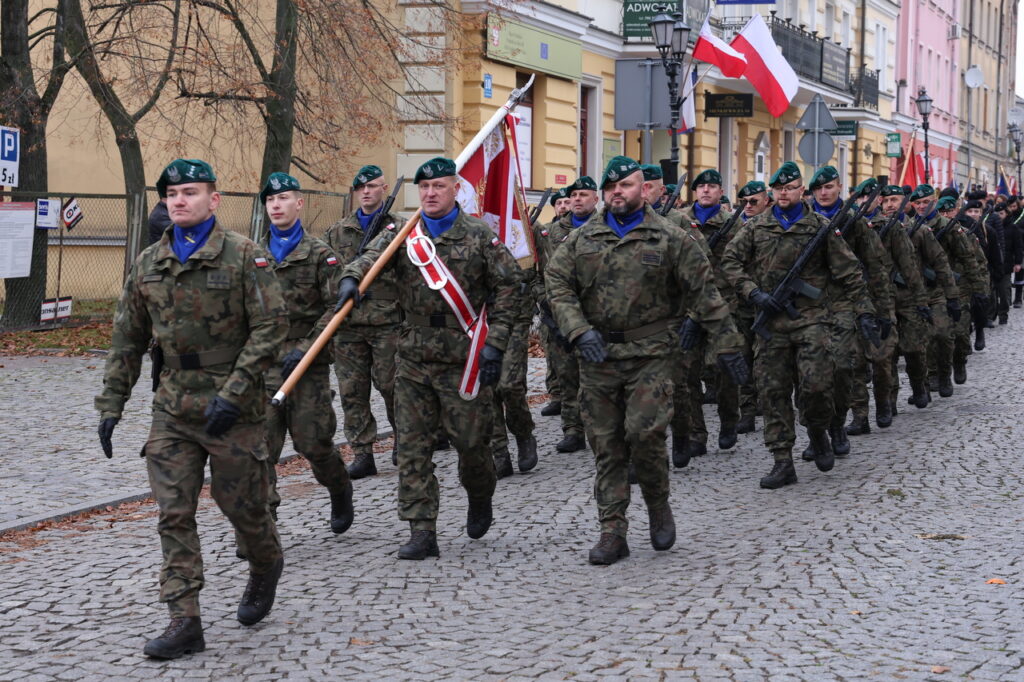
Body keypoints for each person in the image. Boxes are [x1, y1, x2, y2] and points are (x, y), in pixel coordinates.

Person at [95, 159, 287, 659]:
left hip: (233, 409)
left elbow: (271, 329)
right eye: (172, 194)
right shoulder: (148, 263)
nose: (179, 201)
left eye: (190, 192)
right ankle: (185, 619)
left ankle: (265, 561)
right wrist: (112, 403)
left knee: (243, 509)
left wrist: (236, 392)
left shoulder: (244, 255)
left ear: (213, 199)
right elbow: (127, 338)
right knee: (174, 512)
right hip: (173, 408)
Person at [546, 156, 749, 565]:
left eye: (625, 185)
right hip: (598, 356)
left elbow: (704, 292)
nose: (617, 193)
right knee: (605, 444)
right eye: (611, 187)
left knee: (645, 434)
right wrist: (578, 330)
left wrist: (727, 345)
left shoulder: (670, 237)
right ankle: (612, 531)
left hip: (651, 354)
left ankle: (658, 503)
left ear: (644, 189)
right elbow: (557, 283)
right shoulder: (583, 239)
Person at [337, 157, 519, 560]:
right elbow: (370, 258)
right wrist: (352, 277)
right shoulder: (404, 233)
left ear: (456, 188)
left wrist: (496, 343)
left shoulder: (478, 235)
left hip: (463, 356)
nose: (430, 193)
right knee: (412, 446)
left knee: (472, 446)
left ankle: (480, 493)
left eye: (438, 186)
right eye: (424, 187)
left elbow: (508, 289)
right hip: (414, 358)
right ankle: (421, 528)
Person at [720, 162, 879, 490]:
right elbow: (730, 262)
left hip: (812, 320)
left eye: (790, 188)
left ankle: (818, 430)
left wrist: (865, 312)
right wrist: (754, 293)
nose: (783, 193)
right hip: (771, 323)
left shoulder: (819, 227)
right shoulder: (756, 227)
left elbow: (850, 272)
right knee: (773, 392)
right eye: (778, 189)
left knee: (817, 387)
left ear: (801, 190)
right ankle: (782, 460)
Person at [255, 172, 353, 534]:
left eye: (283, 199)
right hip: (263, 363)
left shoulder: (320, 255)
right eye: (270, 200)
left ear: (299, 204)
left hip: (307, 365)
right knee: (260, 448)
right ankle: (262, 526)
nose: (276, 205)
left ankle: (339, 487)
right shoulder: (251, 255)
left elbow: (337, 309)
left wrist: (306, 348)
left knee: (313, 443)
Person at [806, 169, 893, 457]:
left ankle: (842, 421)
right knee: (809, 377)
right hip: (807, 307)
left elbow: (876, 267)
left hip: (847, 303)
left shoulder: (855, 222)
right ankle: (815, 433)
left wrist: (882, 311)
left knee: (845, 368)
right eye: (818, 188)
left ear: (839, 187)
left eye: (829, 187)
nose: (824, 193)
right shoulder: (802, 220)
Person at [324, 165, 402, 478]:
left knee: (392, 385)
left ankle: (403, 440)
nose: (366, 192)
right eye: (361, 187)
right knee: (351, 391)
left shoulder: (399, 228)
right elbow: (327, 273)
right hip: (349, 324)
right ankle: (362, 452)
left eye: (372, 186)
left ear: (384, 189)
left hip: (386, 322)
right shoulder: (338, 230)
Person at [852, 185, 930, 429]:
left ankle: (885, 401)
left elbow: (909, 266)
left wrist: (921, 300)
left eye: (871, 197)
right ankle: (860, 417)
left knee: (885, 358)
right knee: (854, 362)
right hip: (853, 301)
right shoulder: (846, 225)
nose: (866, 201)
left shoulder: (891, 227)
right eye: (861, 197)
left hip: (886, 299)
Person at [540, 176, 601, 455]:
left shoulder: (605, 227)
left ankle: (599, 429)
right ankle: (572, 430)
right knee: (566, 375)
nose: (577, 199)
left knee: (597, 376)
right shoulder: (554, 230)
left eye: (583, 195)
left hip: (595, 314)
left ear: (595, 199)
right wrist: (546, 303)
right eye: (573, 195)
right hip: (561, 312)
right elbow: (543, 272)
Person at [535, 187, 570, 417]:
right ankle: (556, 395)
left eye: (567, 202)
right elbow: (537, 270)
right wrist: (542, 298)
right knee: (552, 351)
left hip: (571, 303)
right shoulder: (545, 232)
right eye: (559, 203)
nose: (563, 206)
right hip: (549, 303)